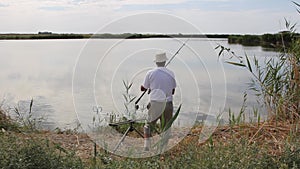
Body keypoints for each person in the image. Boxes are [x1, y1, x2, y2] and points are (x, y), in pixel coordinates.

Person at [140, 52, 176, 151]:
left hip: (155, 103)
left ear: (156, 62)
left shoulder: (150, 73)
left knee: (148, 126)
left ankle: (147, 146)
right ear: (165, 61)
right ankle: (163, 148)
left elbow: (143, 88)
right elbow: (172, 91)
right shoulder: (171, 73)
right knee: (166, 127)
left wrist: (151, 88)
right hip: (168, 103)